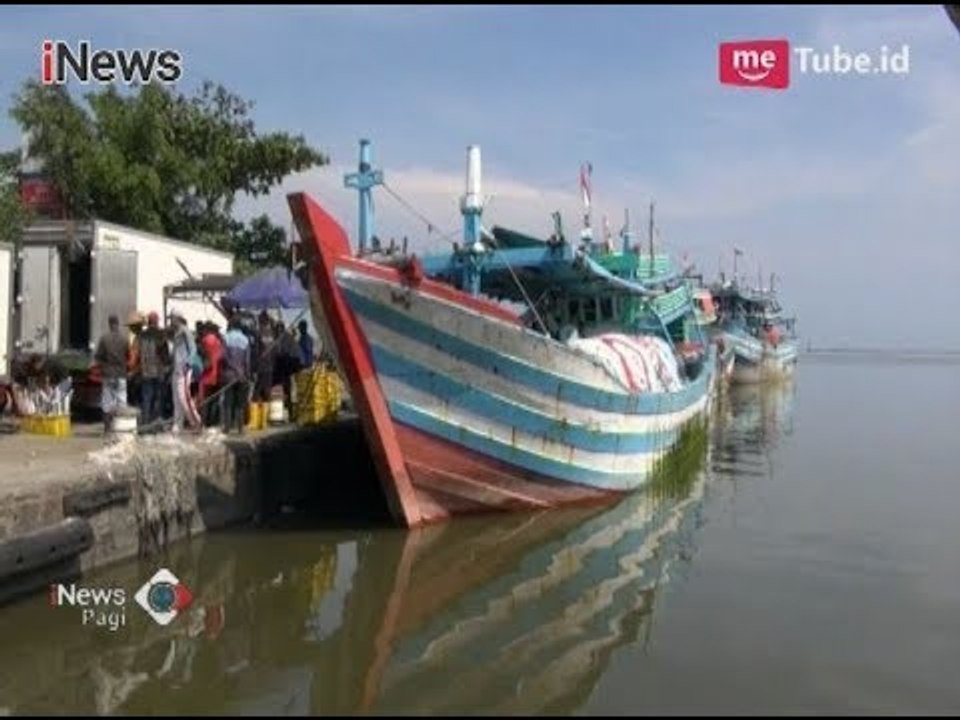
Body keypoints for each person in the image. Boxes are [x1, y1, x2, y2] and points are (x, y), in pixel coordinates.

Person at [94, 315, 129, 434]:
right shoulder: (124, 339)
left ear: (109, 324)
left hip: (108, 375)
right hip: (121, 374)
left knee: (107, 403)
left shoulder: (104, 339)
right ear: (117, 324)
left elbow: (98, 357)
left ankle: (107, 429)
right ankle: (122, 429)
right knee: (121, 401)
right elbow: (128, 356)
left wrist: (103, 365)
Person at [136, 311, 170, 428]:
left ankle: (145, 423)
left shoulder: (141, 335)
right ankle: (155, 424)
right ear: (156, 321)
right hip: (158, 372)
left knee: (146, 398)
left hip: (145, 371)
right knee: (158, 398)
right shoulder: (161, 335)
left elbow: (137, 353)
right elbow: (165, 356)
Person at [170, 312, 201, 433]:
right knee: (176, 399)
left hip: (183, 369)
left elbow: (193, 349)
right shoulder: (177, 332)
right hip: (176, 369)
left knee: (184, 398)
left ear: (177, 318)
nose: (171, 321)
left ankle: (196, 421)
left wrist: (187, 364)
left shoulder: (185, 331)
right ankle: (177, 423)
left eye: (172, 318)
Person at [220, 316, 252, 435]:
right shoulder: (245, 339)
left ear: (231, 325)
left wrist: (232, 368)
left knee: (228, 402)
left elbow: (224, 357)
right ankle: (240, 429)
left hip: (229, 375)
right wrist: (246, 375)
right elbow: (247, 361)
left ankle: (227, 428)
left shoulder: (226, 338)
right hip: (242, 376)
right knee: (240, 403)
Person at [198, 322, 224, 427]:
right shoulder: (219, 341)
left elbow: (202, 354)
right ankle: (213, 422)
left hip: (207, 375)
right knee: (215, 400)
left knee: (205, 401)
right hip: (217, 374)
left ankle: (204, 423)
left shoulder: (206, 340)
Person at [254, 312, 276, 403]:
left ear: (262, 321)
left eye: (259, 320)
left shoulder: (258, 333)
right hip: (270, 365)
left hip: (261, 365)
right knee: (267, 389)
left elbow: (255, 350)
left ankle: (254, 411)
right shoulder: (271, 334)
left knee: (258, 389)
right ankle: (268, 411)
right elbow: (275, 350)